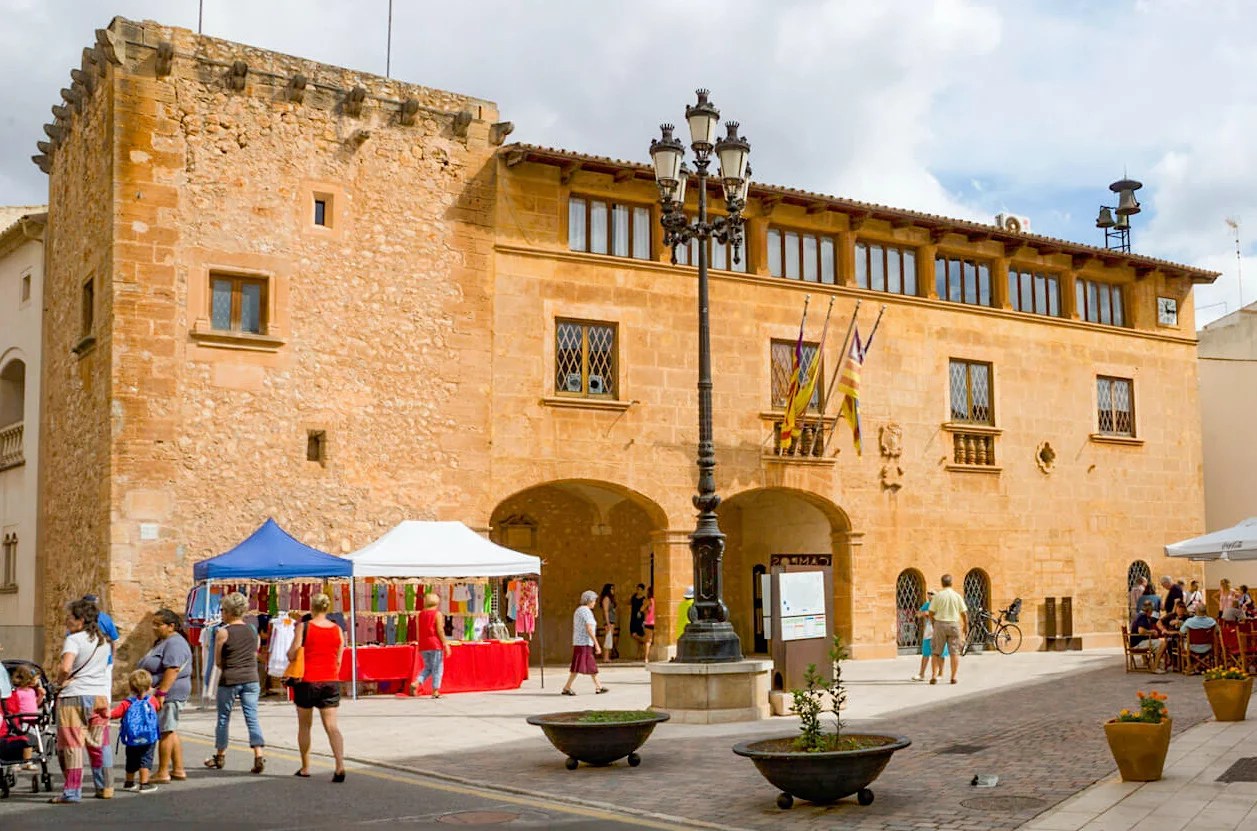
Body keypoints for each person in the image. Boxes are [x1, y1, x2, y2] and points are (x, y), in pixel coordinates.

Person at [51, 598, 114, 804]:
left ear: (81, 620)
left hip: (74, 696)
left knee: (73, 745)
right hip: (99, 696)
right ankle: (105, 786)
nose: (67, 620)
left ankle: (72, 791)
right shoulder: (104, 641)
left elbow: (65, 667)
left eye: (70, 617)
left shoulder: (74, 639)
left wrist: (60, 682)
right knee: (99, 743)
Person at [288, 592, 346, 782]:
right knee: (332, 726)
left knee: (305, 725)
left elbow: (292, 653)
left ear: (312, 607)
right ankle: (339, 765)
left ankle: (305, 767)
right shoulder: (337, 629)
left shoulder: (303, 627)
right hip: (330, 680)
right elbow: (339, 659)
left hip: (307, 680)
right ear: (327, 608)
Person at [206, 591, 265, 774]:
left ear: (229, 612)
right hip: (251, 678)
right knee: (252, 716)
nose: (222, 613)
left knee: (224, 717)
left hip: (230, 678)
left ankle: (220, 755)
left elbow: (218, 661)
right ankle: (258, 754)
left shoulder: (223, 632)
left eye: (223, 610)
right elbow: (254, 652)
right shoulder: (253, 630)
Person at [136, 608, 192, 783]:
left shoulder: (175, 643)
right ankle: (178, 769)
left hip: (170, 692)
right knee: (170, 729)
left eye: (158, 624)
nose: (154, 627)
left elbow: (173, 669)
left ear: (171, 626)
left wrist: (161, 693)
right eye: (153, 623)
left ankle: (163, 772)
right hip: (166, 692)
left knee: (165, 731)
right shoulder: (164, 642)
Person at [109, 670, 161, 794]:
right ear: (149, 686)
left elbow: (115, 714)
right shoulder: (152, 701)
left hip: (132, 737)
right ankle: (144, 783)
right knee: (145, 759)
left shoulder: (127, 703)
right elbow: (158, 707)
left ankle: (129, 782)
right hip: (148, 737)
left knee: (131, 759)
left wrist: (105, 714)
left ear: (131, 687)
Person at [562, 590, 607, 696]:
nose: (595, 603)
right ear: (589, 600)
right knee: (581, 665)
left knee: (587, 665)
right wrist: (597, 643)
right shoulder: (586, 611)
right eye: (594, 600)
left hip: (580, 642)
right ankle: (567, 687)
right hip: (584, 642)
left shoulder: (579, 610)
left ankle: (598, 686)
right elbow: (589, 628)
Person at [927, 574, 967, 685]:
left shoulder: (938, 596)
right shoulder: (957, 596)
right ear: (951, 583)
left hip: (940, 624)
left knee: (936, 651)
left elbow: (931, 611)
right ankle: (953, 677)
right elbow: (964, 613)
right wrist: (966, 625)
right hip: (954, 624)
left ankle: (934, 676)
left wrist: (933, 623)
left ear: (942, 583)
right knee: (954, 652)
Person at [408, 593, 450, 699]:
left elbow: (418, 631)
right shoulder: (437, 614)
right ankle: (435, 690)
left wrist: (419, 643)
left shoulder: (420, 614)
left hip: (423, 644)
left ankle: (416, 683)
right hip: (435, 644)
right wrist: (445, 643)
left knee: (428, 667)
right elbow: (440, 630)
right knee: (437, 668)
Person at [4, 664, 45, 769]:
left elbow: (36, 704)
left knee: (30, 741)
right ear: (28, 679)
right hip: (22, 719)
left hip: (32, 719)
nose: (37, 681)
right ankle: (16, 762)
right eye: (36, 679)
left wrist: (41, 696)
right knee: (22, 740)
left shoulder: (32, 691)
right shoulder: (17, 692)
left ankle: (27, 761)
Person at [912, 590, 948, 682]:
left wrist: (930, 613)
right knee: (925, 653)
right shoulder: (927, 604)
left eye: (932, 593)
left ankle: (940, 673)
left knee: (940, 654)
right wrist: (923, 613)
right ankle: (921, 674)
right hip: (928, 632)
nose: (929, 595)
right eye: (928, 593)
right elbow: (918, 614)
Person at [1131, 600, 1168, 673]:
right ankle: (1155, 667)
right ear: (1148, 611)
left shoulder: (1139, 615)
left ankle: (1154, 664)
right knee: (1163, 643)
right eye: (1151, 612)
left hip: (1136, 642)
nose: (1151, 614)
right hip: (1138, 644)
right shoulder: (1142, 616)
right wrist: (1152, 632)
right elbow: (1141, 631)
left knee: (1158, 642)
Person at [83, 594, 119, 667]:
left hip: (84, 662)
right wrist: (112, 660)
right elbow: (114, 641)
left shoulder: (79, 618)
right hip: (104, 662)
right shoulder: (105, 618)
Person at [598, 583, 618, 660]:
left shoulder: (611, 599)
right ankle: (606, 657)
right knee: (608, 638)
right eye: (611, 589)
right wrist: (608, 622)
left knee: (610, 638)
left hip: (612, 620)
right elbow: (605, 611)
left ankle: (607, 656)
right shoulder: (606, 599)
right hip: (609, 620)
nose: (613, 590)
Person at [628, 584, 647, 658]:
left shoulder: (644, 599)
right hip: (633, 617)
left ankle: (639, 653)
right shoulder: (633, 597)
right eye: (638, 589)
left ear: (643, 590)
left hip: (640, 618)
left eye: (640, 589)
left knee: (639, 633)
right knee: (633, 633)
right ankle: (644, 642)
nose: (639, 591)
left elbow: (644, 609)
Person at [641, 586, 655, 664]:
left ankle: (646, 658)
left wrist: (646, 610)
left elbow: (641, 609)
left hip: (649, 621)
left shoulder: (649, 600)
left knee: (648, 641)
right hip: (656, 621)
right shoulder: (657, 600)